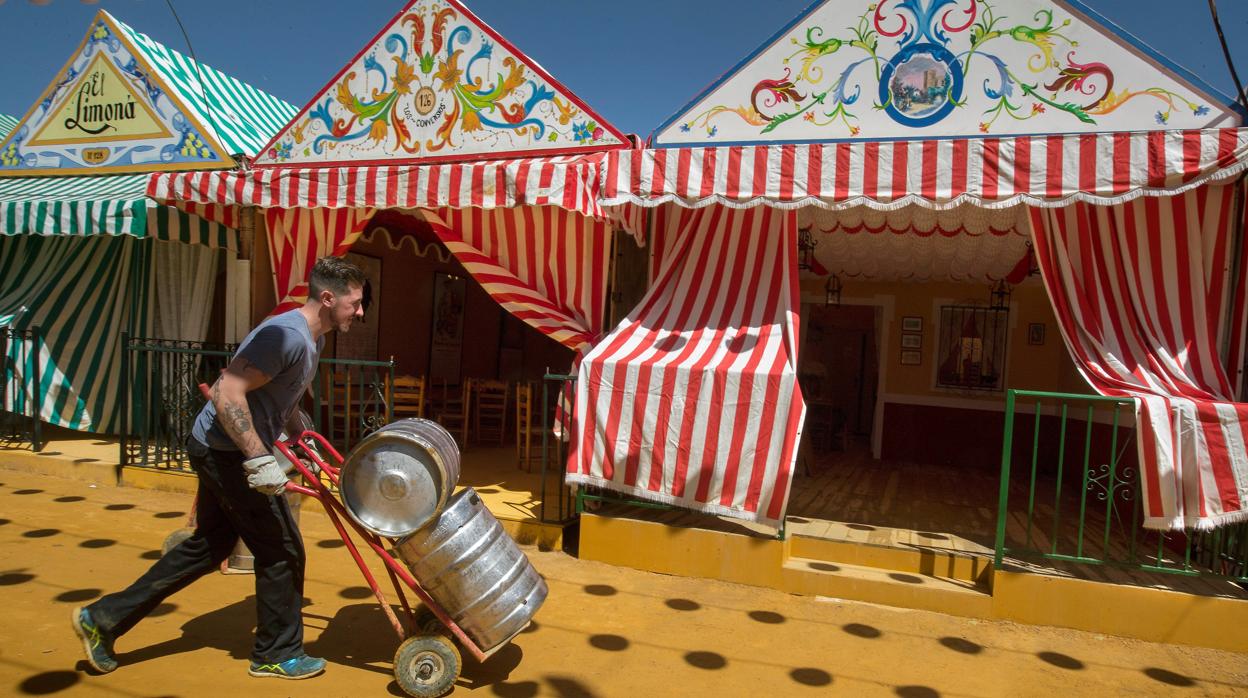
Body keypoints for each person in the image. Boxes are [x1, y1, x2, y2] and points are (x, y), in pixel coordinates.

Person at [72, 256, 367, 680]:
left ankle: (100, 620)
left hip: (221, 446)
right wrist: (260, 459)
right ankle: (276, 653)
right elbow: (229, 394)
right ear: (327, 298)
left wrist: (299, 432)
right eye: (354, 303)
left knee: (208, 547)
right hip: (224, 450)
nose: (359, 311)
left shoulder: (312, 339)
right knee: (281, 549)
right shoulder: (284, 336)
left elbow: (279, 397)